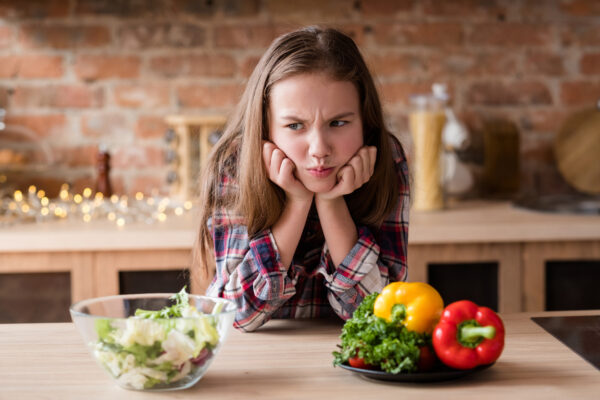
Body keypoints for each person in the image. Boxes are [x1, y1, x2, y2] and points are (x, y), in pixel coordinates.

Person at [193, 26, 409, 332]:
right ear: (266, 128)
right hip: (263, 360)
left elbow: (383, 314)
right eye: (295, 126)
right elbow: (237, 313)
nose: (319, 150)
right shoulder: (236, 164)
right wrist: (297, 202)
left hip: (353, 359)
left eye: (338, 122)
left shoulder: (387, 158)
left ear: (365, 121)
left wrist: (331, 203)